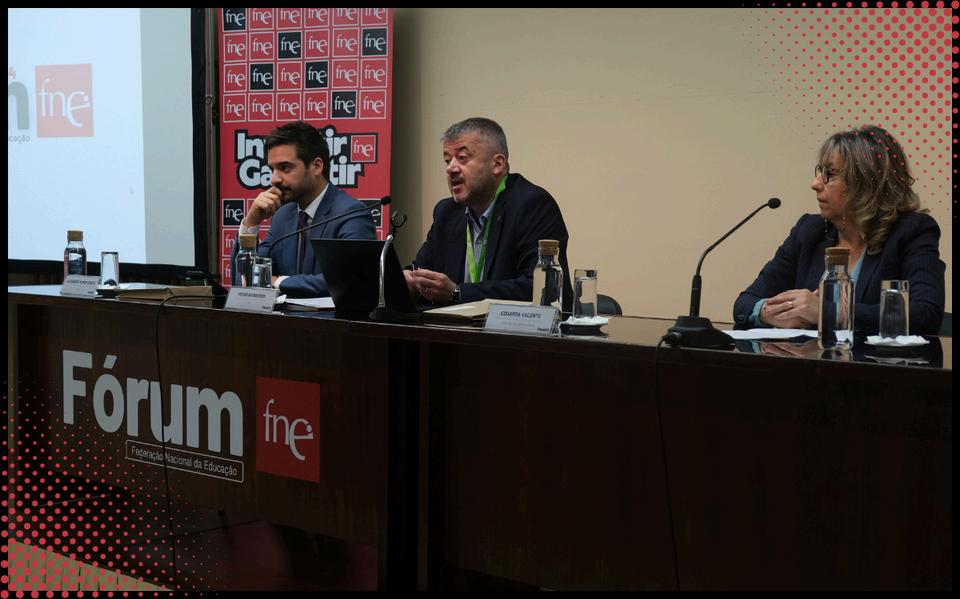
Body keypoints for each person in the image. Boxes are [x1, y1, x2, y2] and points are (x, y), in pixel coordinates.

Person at [733, 125, 945, 335]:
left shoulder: (911, 231)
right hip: (809, 356)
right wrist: (767, 311)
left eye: (830, 174)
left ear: (866, 182)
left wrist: (830, 312)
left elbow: (925, 314)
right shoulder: (809, 231)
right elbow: (745, 303)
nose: (815, 184)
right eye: (820, 172)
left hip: (874, 358)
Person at [405, 117, 572, 309]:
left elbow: (540, 287)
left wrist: (458, 293)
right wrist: (409, 281)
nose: (451, 168)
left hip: (512, 327)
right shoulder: (447, 212)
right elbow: (423, 270)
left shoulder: (532, 205)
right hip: (454, 326)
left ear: (498, 164)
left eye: (462, 158)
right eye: (447, 160)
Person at [231, 121, 376, 297]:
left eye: (285, 168)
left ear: (317, 166)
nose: (274, 179)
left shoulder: (351, 214)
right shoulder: (283, 215)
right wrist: (251, 223)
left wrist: (277, 282)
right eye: (272, 169)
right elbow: (245, 277)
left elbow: (347, 279)